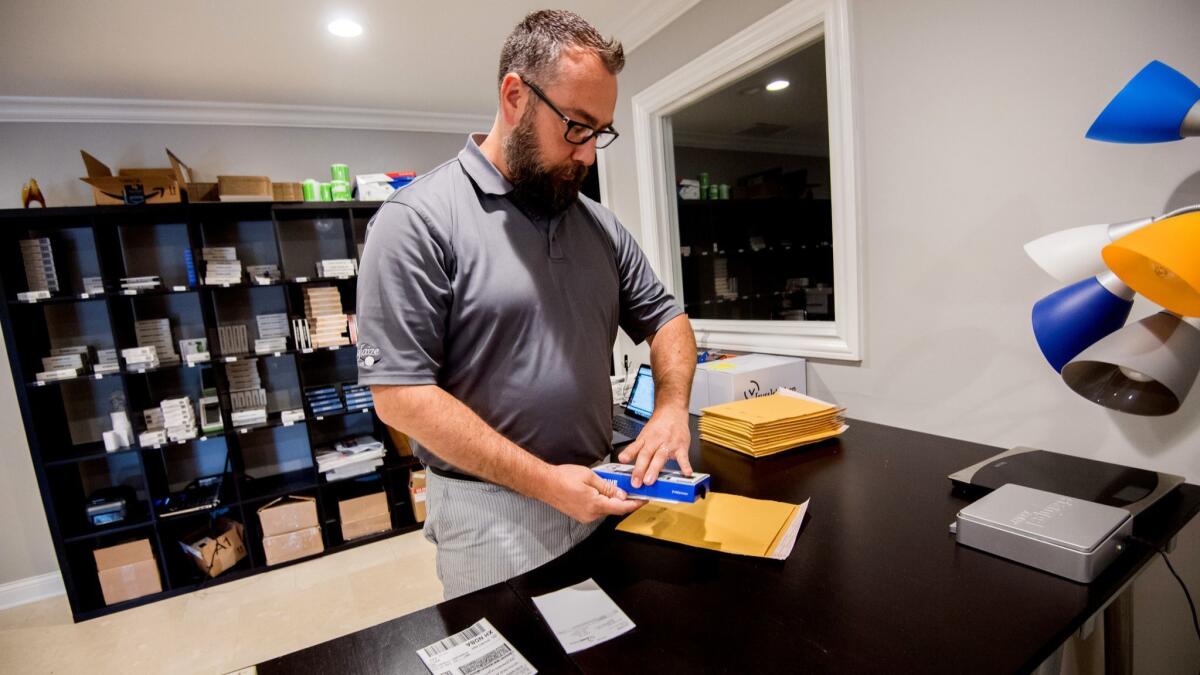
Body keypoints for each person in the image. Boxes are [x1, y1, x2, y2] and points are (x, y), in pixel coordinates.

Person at [357, 9, 698, 600]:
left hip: (598, 486)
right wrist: (545, 483)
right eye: (577, 127)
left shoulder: (599, 226)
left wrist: (671, 408)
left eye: (601, 132)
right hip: (492, 513)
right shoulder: (416, 221)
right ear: (515, 95)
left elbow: (667, 319)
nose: (589, 154)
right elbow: (400, 397)